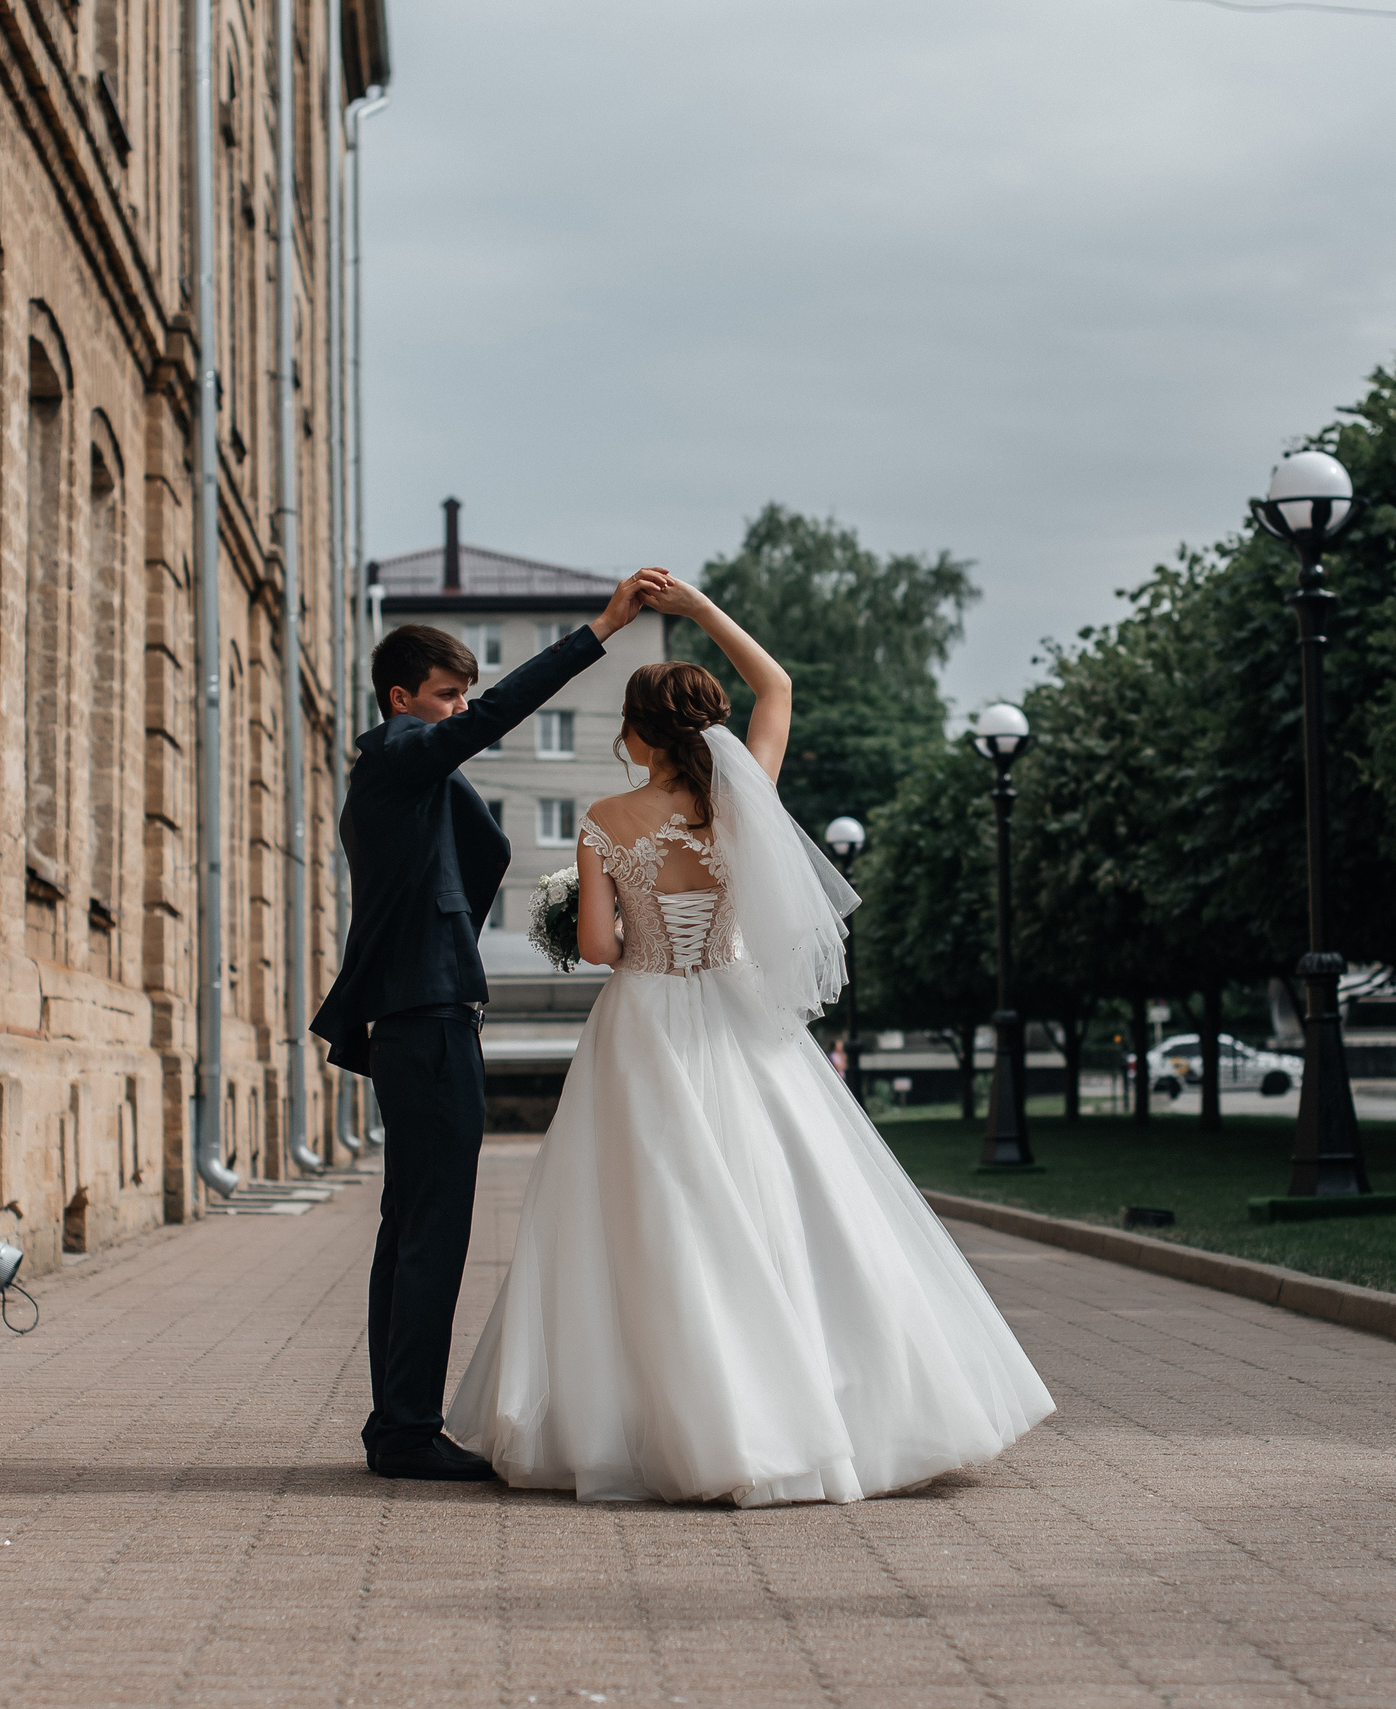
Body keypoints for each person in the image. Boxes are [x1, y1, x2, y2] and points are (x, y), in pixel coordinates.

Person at [446, 577, 1054, 1505]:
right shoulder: (744, 795)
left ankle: (689, 1414)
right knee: (789, 1186)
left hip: (646, 1018)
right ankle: (838, 1406)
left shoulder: (608, 821)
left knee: (655, 1211)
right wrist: (700, 611)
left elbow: (607, 948)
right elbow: (778, 688)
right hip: (738, 1009)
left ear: (635, 731)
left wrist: (585, 915)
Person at [312, 568, 669, 1482]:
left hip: (428, 1008)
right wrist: (600, 631)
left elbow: (489, 847)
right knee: (431, 1228)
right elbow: (493, 721)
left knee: (412, 1224)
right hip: (426, 1022)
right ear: (402, 698)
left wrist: (446, 927)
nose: (463, 707)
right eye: (448, 694)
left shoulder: (416, 781)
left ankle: (396, 1422)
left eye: (465, 691)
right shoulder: (396, 751)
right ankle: (404, 1431)